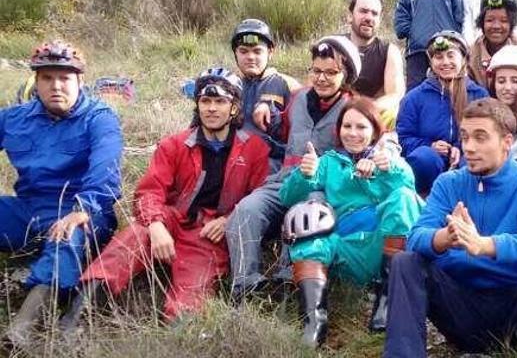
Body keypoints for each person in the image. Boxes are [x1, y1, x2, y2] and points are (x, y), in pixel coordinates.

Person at [62, 68, 270, 325]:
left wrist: (229, 219)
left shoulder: (254, 149)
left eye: (220, 101)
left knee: (192, 295)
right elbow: (150, 190)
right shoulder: (174, 145)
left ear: (235, 108)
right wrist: (156, 225)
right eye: (205, 101)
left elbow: (259, 197)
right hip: (172, 218)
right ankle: (77, 315)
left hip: (208, 234)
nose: (212, 109)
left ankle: (178, 331)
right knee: (134, 237)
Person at [383, 98, 517, 358]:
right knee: (405, 262)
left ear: (507, 142)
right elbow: (416, 237)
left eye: (480, 137)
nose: (469, 147)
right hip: (460, 310)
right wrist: (444, 238)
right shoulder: (448, 183)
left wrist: (486, 245)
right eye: (464, 137)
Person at [0, 41, 123, 346]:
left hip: (83, 211)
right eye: (47, 78)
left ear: (80, 81)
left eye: (65, 78)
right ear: (36, 81)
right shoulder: (14, 119)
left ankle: (23, 327)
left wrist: (83, 209)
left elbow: (106, 173)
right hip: (29, 209)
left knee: (65, 237)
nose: (56, 86)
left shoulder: (100, 118)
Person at [225, 35, 361, 302]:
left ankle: (289, 282)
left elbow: (371, 145)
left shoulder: (354, 109)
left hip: (323, 190)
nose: (321, 78)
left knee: (305, 215)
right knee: (245, 211)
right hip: (285, 180)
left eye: (331, 73)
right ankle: (245, 285)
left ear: (346, 76)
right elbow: (282, 128)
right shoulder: (297, 98)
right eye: (316, 71)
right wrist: (269, 113)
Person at [277, 98, 423, 347]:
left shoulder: (387, 159)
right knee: (306, 219)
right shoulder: (329, 162)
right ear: (339, 129)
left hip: (381, 248)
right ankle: (314, 322)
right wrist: (305, 174)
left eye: (361, 127)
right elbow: (286, 196)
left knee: (404, 198)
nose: (353, 134)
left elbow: (408, 195)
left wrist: (386, 170)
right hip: (344, 250)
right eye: (347, 126)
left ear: (375, 131)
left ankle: (387, 300)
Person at [397, 30, 489, 196]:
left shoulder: (479, 95)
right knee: (423, 157)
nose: (445, 62)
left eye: (451, 55)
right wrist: (429, 145)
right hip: (429, 169)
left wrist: (460, 148)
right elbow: (403, 138)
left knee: (472, 161)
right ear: (431, 62)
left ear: (464, 58)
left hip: (466, 162)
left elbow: (487, 135)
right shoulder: (414, 98)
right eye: (438, 57)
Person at [230, 19, 301, 171]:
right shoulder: (227, 85)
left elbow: (303, 132)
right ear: (235, 53)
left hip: (272, 165)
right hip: (230, 161)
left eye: (257, 51)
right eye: (243, 51)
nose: (250, 57)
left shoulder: (288, 85)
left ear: (270, 52)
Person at [345, 0, 405, 128]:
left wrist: (362, 111)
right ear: (350, 16)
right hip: (336, 114)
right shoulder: (334, 45)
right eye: (363, 11)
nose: (369, 17)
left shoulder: (389, 52)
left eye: (374, 13)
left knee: (394, 113)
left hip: (372, 117)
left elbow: (395, 96)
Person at [467, 0, 517, 88]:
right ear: (482, 23)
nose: (496, 26)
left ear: (512, 24)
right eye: (490, 20)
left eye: (504, 20)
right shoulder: (470, 54)